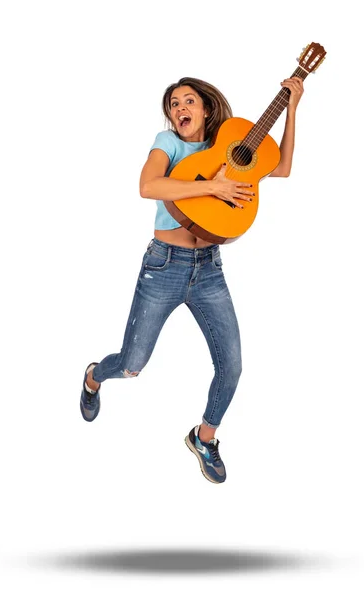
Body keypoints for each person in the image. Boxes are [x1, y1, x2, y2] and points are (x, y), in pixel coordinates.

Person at [80, 76, 304, 484]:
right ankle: (95, 375)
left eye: (188, 101)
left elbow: (282, 167)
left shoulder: (234, 147)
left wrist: (292, 109)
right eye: (173, 104)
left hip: (209, 269)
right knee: (131, 366)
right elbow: (148, 186)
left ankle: (204, 437)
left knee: (232, 367)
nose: (179, 108)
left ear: (205, 108)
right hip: (163, 266)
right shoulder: (168, 145)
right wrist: (215, 185)